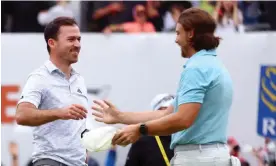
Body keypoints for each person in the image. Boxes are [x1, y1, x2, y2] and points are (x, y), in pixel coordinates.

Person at [92, 8, 235, 166]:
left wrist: (139, 130)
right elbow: (167, 114)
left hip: (198, 158)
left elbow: (183, 119)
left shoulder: (197, 68)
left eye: (178, 33)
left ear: (191, 34)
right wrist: (121, 117)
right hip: (209, 155)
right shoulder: (214, 65)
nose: (176, 40)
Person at [16, 17, 88, 166]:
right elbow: (22, 115)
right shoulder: (39, 78)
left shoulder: (79, 80)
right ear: (52, 43)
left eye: (79, 39)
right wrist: (59, 113)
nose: (77, 45)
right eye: (71, 39)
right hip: (50, 162)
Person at [125, 94, 174, 166]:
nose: (168, 115)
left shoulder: (185, 138)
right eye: (163, 111)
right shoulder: (142, 141)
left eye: (173, 111)